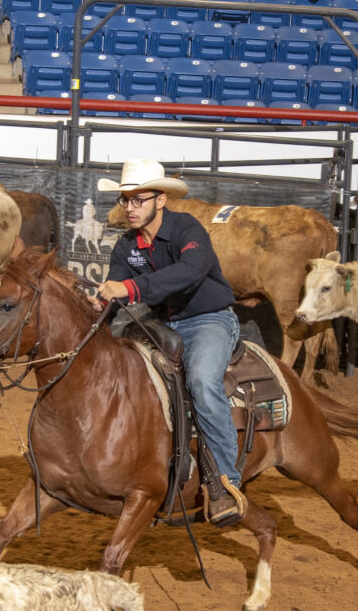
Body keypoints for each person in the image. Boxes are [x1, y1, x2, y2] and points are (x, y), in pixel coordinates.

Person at [93, 158, 247, 527]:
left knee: (202, 381)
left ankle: (225, 482)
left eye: (138, 200)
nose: (129, 208)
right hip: (161, 323)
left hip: (209, 319)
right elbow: (115, 292)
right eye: (125, 200)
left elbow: (190, 271)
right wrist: (98, 304)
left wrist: (130, 288)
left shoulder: (186, 228)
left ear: (160, 200)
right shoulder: (126, 246)